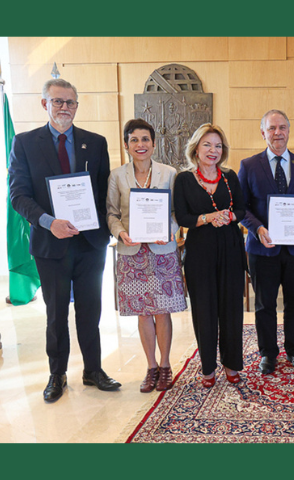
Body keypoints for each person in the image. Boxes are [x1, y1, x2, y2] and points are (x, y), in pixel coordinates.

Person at [9, 78, 121, 402]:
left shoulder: (95, 142)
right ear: (44, 104)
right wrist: (49, 222)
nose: (65, 108)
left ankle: (93, 370)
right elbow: (18, 195)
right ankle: (57, 375)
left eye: (70, 102)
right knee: (56, 313)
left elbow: (103, 194)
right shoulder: (25, 143)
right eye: (58, 101)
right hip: (50, 244)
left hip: (89, 244)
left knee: (91, 310)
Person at [107, 119, 187, 392]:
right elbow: (111, 213)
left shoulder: (169, 173)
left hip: (162, 251)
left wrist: (168, 230)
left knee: (163, 311)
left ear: (154, 144)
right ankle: (151, 367)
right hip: (131, 253)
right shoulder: (117, 176)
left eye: (145, 139)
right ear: (127, 145)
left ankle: (165, 366)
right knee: (143, 313)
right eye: (134, 140)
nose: (140, 145)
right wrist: (120, 233)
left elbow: (178, 211)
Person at [238, 110, 294, 375]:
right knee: (264, 304)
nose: (278, 133)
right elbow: (241, 207)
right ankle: (268, 353)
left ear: (289, 130)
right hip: (263, 249)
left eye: (282, 127)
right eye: (272, 128)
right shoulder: (249, 165)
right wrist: (258, 228)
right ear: (263, 133)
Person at [174, 124, 246, 388]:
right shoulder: (183, 179)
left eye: (218, 146)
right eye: (207, 145)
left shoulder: (230, 176)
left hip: (230, 248)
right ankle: (207, 368)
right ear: (196, 148)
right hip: (199, 251)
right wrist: (207, 218)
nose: (213, 150)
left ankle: (231, 364)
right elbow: (182, 217)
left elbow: (242, 208)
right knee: (204, 310)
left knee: (231, 309)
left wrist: (231, 215)